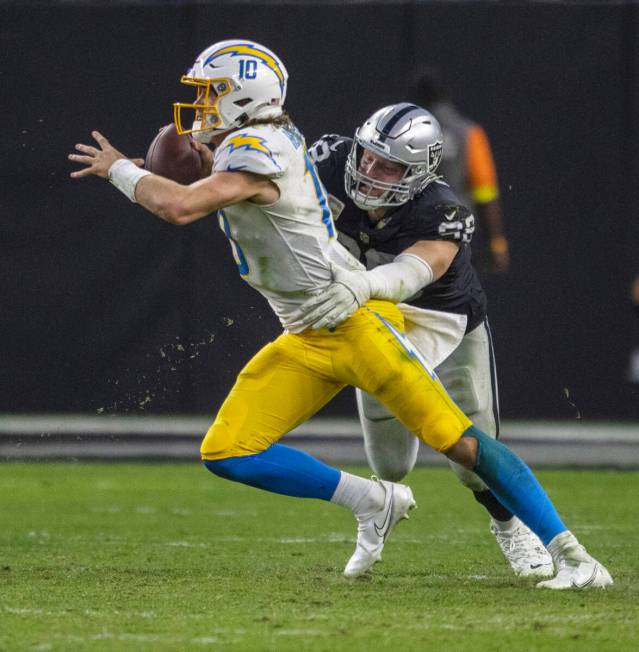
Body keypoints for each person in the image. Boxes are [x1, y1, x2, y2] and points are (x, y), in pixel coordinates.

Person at [69, 39, 611, 589]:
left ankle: (573, 556)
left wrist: (120, 171)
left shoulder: (428, 204)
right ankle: (375, 500)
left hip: (373, 319)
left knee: (465, 447)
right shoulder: (284, 145)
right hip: (308, 330)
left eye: (213, 92)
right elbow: (233, 190)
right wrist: (176, 169)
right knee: (229, 451)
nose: (202, 105)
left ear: (245, 96)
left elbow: (182, 206)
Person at [307, 106, 551, 577]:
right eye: (369, 156)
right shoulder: (327, 161)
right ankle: (379, 505)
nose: (371, 171)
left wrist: (358, 284)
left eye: (389, 165)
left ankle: (510, 528)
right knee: (390, 463)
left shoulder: (442, 210)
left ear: (418, 173)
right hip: (380, 322)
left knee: (472, 455)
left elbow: (415, 271)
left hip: (446, 321)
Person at [409, 71, 509, 274]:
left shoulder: (407, 132)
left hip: (411, 231)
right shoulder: (469, 132)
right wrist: (496, 242)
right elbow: (485, 191)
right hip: (456, 231)